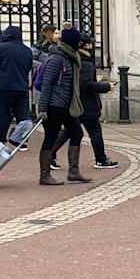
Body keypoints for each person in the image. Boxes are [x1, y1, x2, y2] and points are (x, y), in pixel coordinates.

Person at [52, 32, 118, 171]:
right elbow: (86, 85)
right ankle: (100, 159)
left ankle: (50, 154)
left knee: (68, 132)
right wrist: (106, 86)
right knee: (94, 131)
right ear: (83, 45)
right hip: (86, 104)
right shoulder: (85, 63)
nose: (91, 46)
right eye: (89, 44)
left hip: (73, 102)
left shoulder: (72, 59)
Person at [34, 28, 90, 185]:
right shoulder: (56, 59)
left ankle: (73, 172)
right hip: (53, 105)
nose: (80, 43)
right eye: (78, 40)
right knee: (50, 138)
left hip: (66, 105)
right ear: (72, 42)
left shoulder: (70, 57)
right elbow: (47, 84)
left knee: (77, 133)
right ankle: (44, 175)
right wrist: (42, 109)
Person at [0, 25, 34, 147]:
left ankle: (1, 140)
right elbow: (29, 67)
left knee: (3, 114)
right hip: (21, 86)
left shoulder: (1, 47)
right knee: (22, 115)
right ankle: (21, 140)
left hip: (4, 86)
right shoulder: (27, 50)